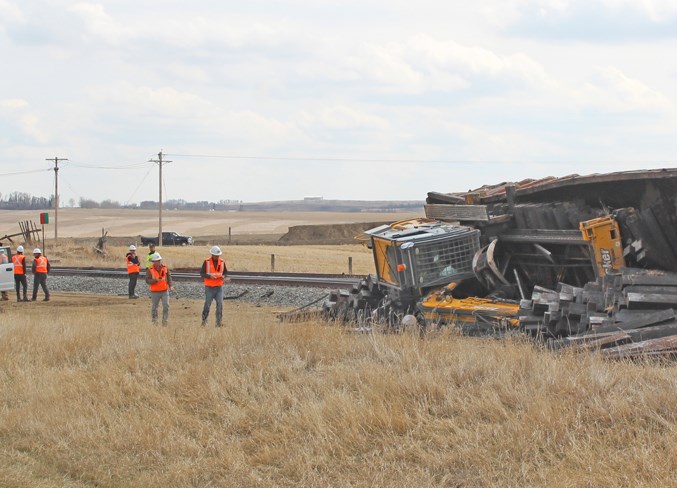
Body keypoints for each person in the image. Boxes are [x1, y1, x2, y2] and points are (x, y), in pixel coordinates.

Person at [200, 245, 229, 327]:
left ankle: (218, 323)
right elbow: (202, 274)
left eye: (218, 255)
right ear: (212, 255)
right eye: (216, 255)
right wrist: (209, 276)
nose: (217, 257)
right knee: (207, 305)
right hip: (209, 287)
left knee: (220, 304)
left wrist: (224, 276)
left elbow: (225, 272)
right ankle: (204, 322)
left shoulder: (222, 262)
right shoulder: (206, 262)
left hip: (219, 287)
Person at [145, 253, 173, 326]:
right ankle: (155, 322)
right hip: (155, 292)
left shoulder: (165, 267)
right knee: (155, 307)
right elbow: (147, 281)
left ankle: (165, 322)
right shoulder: (150, 269)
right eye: (157, 260)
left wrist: (171, 285)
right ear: (154, 262)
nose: (159, 262)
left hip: (164, 290)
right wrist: (156, 280)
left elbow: (169, 277)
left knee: (166, 306)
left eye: (159, 260)